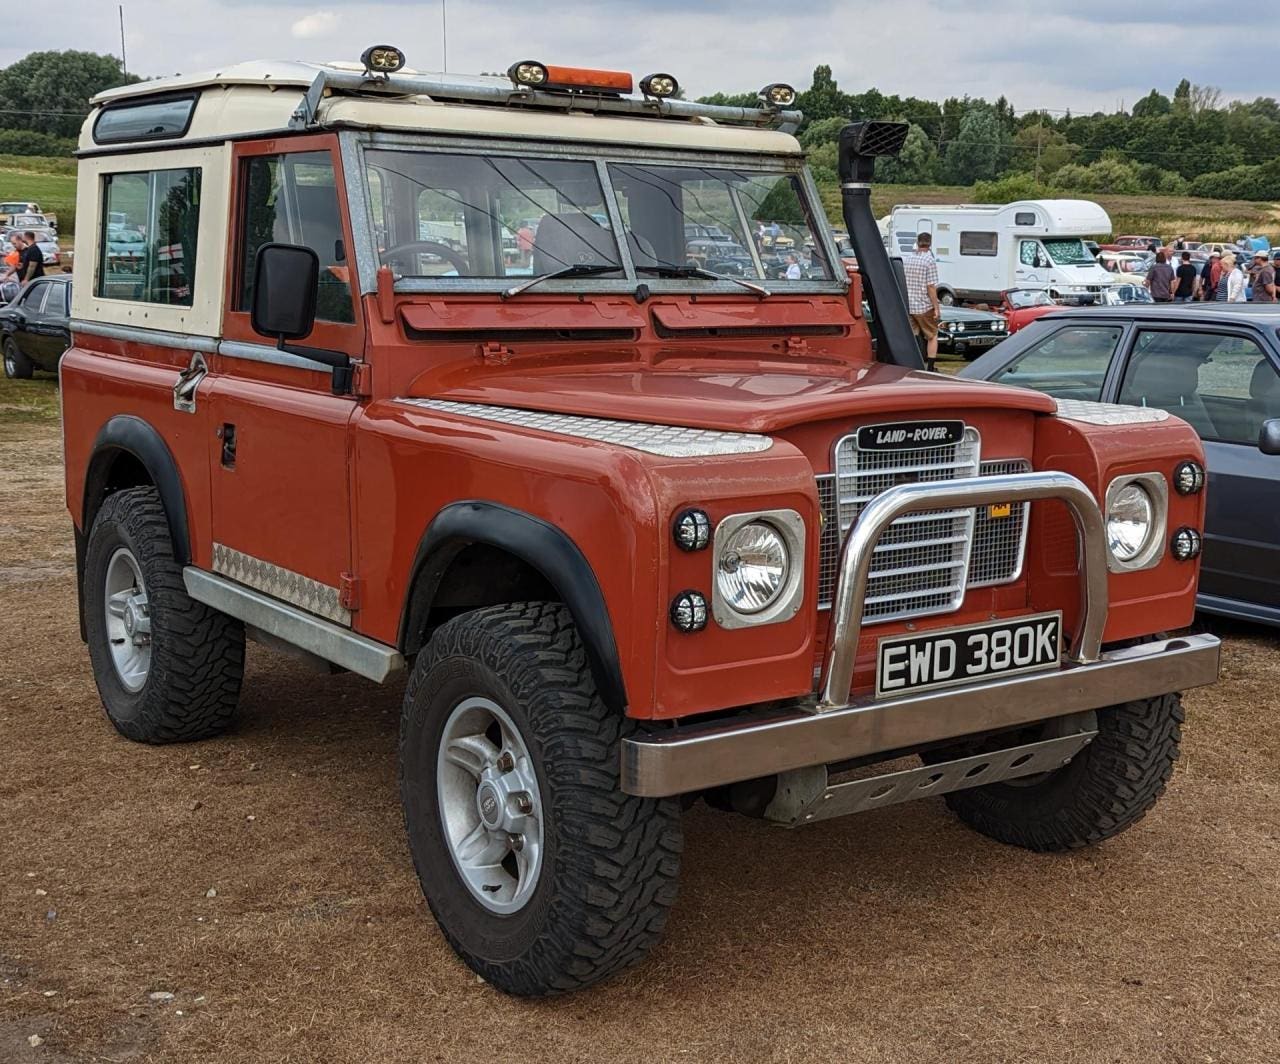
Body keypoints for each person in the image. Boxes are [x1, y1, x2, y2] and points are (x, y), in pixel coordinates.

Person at [903, 231, 940, 370]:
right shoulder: (929, 261)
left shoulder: (908, 258)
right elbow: (931, 286)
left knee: (914, 335)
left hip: (909, 304)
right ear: (930, 243)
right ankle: (930, 366)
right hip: (923, 305)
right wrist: (936, 307)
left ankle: (914, 363)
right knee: (932, 335)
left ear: (917, 242)